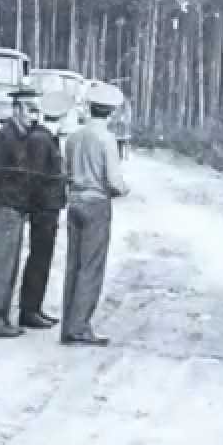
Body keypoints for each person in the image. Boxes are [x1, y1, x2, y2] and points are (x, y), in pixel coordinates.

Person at [59, 82, 130, 346]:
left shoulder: (74, 137)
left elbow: (65, 172)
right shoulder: (106, 139)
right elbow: (113, 180)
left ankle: (68, 325)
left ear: (90, 108)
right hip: (97, 204)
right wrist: (124, 189)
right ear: (111, 111)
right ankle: (80, 327)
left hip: (75, 201)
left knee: (73, 265)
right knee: (91, 267)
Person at [0, 85, 42, 338]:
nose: (33, 116)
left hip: (14, 209)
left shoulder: (24, 136)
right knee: (1, 267)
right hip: (3, 208)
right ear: (16, 110)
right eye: (29, 110)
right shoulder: (4, 137)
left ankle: (2, 318)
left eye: (36, 111)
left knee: (10, 265)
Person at [18, 91, 71, 330]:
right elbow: (36, 178)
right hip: (44, 209)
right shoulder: (41, 140)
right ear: (59, 116)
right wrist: (39, 206)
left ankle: (35, 308)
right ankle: (29, 311)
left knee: (43, 258)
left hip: (47, 208)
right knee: (39, 259)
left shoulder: (44, 138)